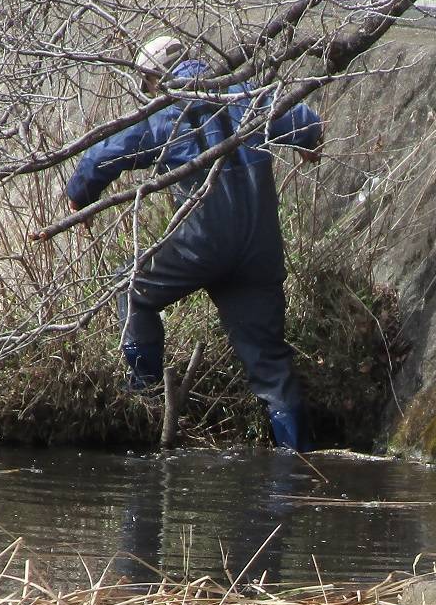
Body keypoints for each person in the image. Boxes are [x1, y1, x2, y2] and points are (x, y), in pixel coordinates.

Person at [63, 36, 323, 451]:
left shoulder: (164, 111)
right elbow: (308, 122)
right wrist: (310, 147)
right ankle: (297, 468)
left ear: (153, 78)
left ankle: (145, 407)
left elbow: (101, 158)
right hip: (259, 254)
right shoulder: (250, 95)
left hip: (201, 246)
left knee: (129, 287)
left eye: (148, 86)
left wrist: (79, 199)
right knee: (271, 367)